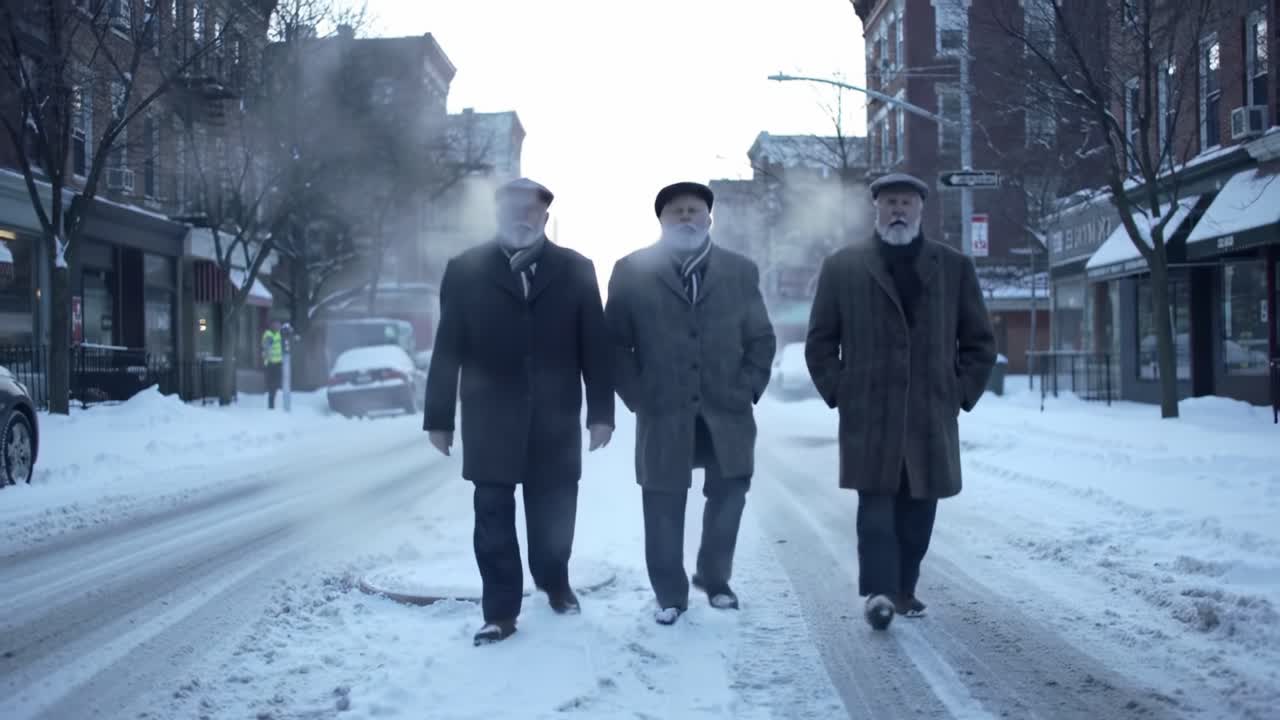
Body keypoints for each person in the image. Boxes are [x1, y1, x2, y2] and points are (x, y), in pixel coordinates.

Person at [423, 177, 615, 646]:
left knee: (555, 513)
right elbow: (448, 348)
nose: (522, 216)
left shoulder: (576, 269)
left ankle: (555, 582)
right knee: (491, 516)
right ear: (497, 213)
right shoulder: (465, 269)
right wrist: (438, 418)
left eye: (532, 210)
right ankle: (500, 611)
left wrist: (601, 413)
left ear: (545, 218)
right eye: (512, 208)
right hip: (490, 419)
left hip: (556, 420)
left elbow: (596, 346)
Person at [804, 172, 996, 630]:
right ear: (875, 209)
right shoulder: (843, 266)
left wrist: (959, 392)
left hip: (931, 414)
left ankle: (904, 588)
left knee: (918, 516)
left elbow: (979, 343)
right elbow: (820, 343)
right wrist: (842, 390)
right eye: (889, 202)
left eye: (906, 203)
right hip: (869, 415)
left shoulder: (953, 267)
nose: (897, 211)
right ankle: (878, 593)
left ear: (921, 210)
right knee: (875, 512)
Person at [605, 181, 776, 626]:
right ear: (661, 221)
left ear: (709, 219)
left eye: (694, 211)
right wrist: (639, 396)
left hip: (728, 410)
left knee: (730, 492)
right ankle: (670, 594)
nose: (686, 218)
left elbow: (760, 337)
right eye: (676, 211)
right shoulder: (631, 270)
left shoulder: (740, 271)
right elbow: (615, 345)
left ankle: (715, 578)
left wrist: (748, 388)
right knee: (662, 501)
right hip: (663, 411)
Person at [261, 319, 284, 409]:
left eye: (279, 325)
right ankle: (271, 406)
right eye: (277, 325)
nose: (279, 327)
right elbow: (266, 349)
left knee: (276, 384)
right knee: (272, 385)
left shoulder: (278, 334)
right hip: (271, 364)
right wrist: (267, 361)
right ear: (273, 325)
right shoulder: (269, 335)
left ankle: (273, 403)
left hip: (278, 363)